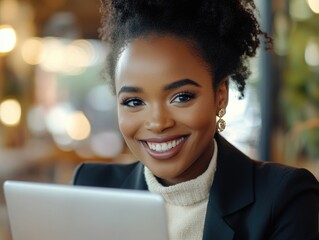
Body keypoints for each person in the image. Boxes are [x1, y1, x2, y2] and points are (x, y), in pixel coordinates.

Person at [73, 0, 319, 239]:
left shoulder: (284, 197)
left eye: (181, 97)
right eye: (134, 102)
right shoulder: (91, 187)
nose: (158, 122)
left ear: (220, 95)